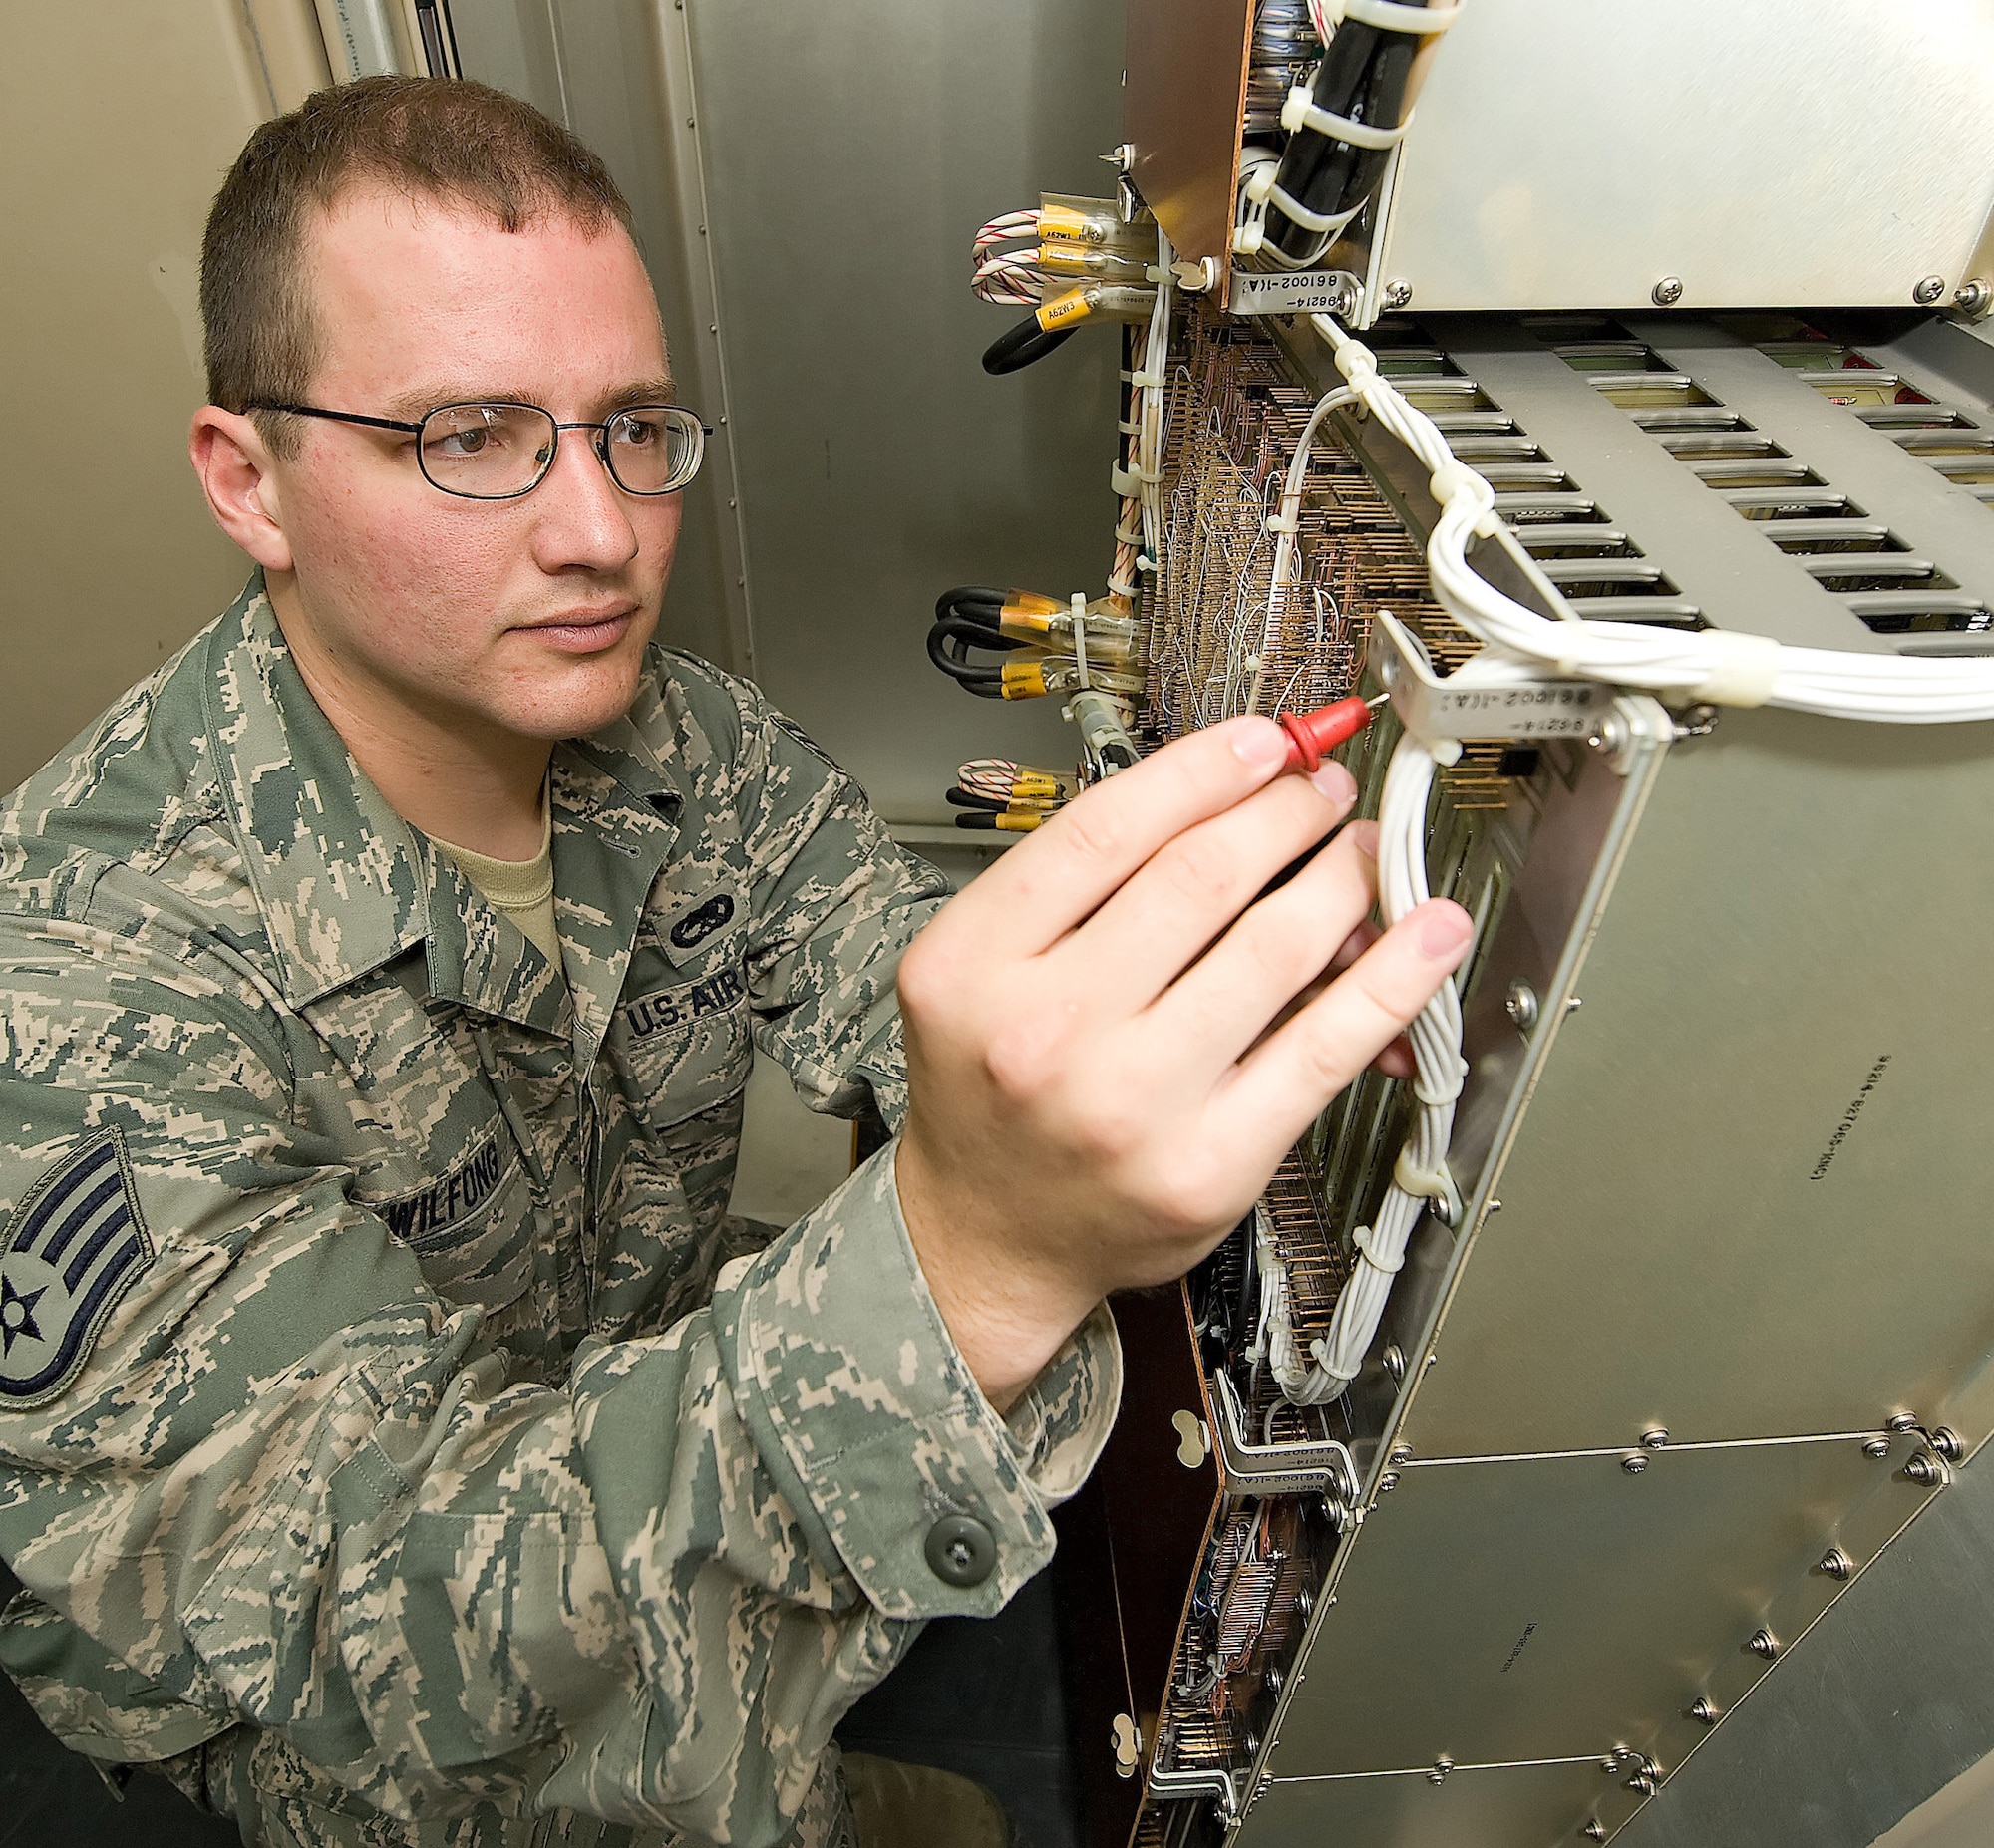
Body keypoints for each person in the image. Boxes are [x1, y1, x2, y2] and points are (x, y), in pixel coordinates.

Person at [0, 76, 1471, 1848]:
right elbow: (386, 1623)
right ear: (253, 481)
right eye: (472, 436)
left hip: (597, 1395)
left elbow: (888, 953)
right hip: (322, 1709)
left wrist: (1160, 981)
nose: (601, 532)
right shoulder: (74, 984)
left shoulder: (672, 739)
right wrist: (976, 1260)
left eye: (632, 427)